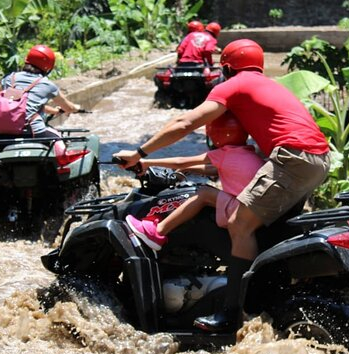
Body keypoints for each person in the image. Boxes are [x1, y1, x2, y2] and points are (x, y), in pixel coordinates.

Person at [114, 38, 331, 332]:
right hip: (318, 158)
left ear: (227, 67)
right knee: (273, 229)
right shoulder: (269, 84)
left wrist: (140, 153)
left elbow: (184, 123)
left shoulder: (233, 85)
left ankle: (232, 314)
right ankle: (268, 293)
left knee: (239, 224)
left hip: (291, 158)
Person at [125, 111, 264, 251]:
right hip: (257, 209)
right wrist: (191, 169)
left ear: (214, 135)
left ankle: (157, 232)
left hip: (242, 211)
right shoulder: (249, 152)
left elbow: (180, 161)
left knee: (203, 192)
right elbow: (218, 170)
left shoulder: (225, 153)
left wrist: (145, 163)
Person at [0, 44, 80, 139]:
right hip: (34, 133)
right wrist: (76, 107)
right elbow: (68, 108)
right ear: (48, 67)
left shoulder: (9, 78)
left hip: (4, 134)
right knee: (60, 141)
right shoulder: (47, 85)